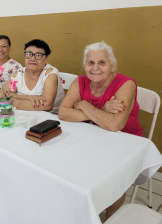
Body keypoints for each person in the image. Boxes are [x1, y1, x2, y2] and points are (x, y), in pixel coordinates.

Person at [58, 41, 143, 220]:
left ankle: (110, 216)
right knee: (65, 168)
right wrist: (102, 111)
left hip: (125, 143)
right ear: (85, 65)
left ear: (113, 66)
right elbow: (63, 113)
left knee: (112, 182)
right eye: (90, 62)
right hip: (91, 138)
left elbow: (114, 125)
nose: (95, 67)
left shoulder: (126, 84)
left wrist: (82, 105)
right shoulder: (80, 81)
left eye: (102, 62)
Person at [4, 39, 64, 114]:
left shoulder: (50, 73)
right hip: (23, 115)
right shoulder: (19, 73)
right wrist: (27, 97)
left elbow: (46, 105)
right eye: (29, 54)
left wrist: (12, 103)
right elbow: (4, 94)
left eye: (38, 55)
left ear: (46, 59)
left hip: (49, 119)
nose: (32, 59)